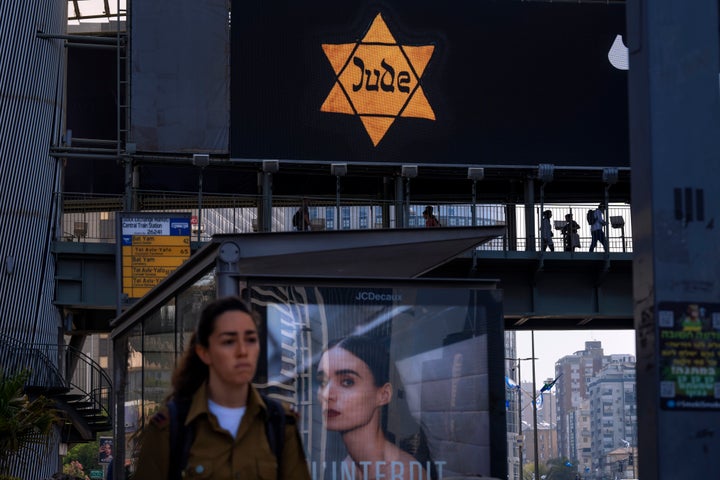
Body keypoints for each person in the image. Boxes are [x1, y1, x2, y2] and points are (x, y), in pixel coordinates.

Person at [133, 296, 310, 480]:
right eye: (229, 342)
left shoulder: (279, 422)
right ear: (205, 353)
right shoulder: (170, 427)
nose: (243, 351)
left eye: (250, 339)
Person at [317, 335, 428, 480]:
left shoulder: (404, 474)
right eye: (322, 382)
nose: (326, 394)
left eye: (347, 382)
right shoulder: (348, 466)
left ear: (383, 395)